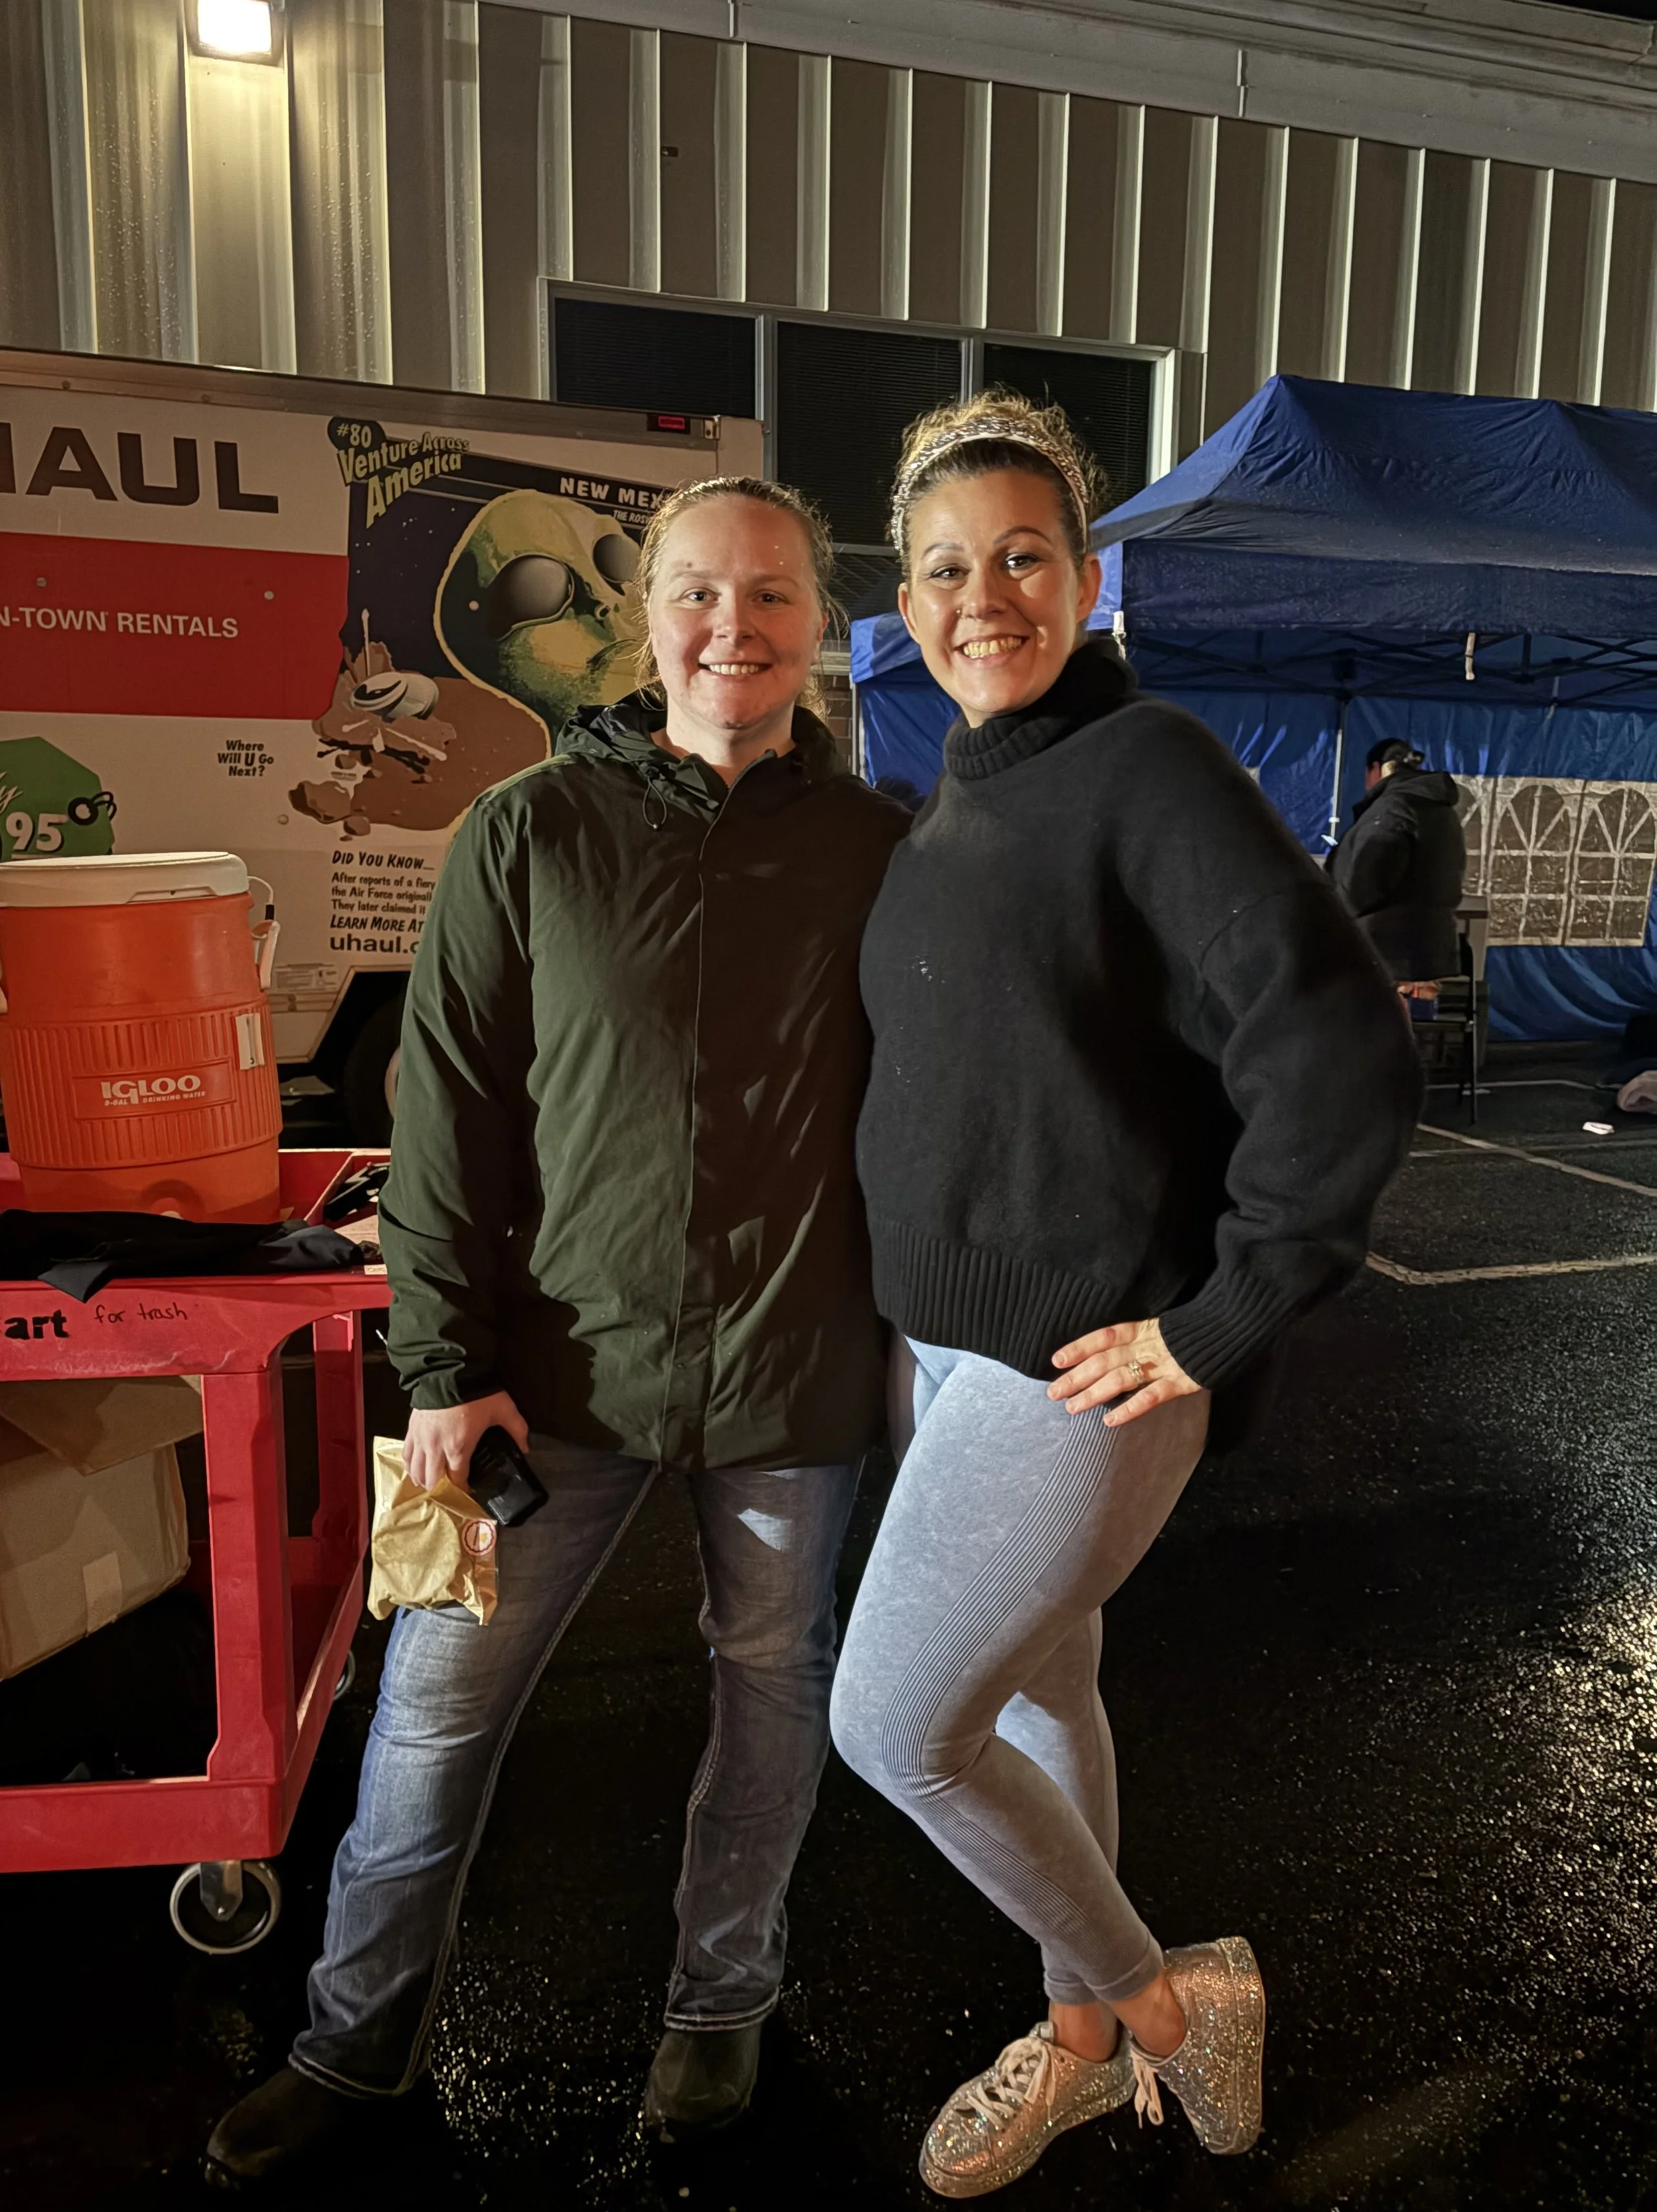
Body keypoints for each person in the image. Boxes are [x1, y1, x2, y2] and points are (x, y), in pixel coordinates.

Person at [205, 478, 908, 2187]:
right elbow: (442, 1118)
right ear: (643, 613)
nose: (732, 627)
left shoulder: (881, 852)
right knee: (434, 1717)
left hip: (789, 1376)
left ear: (818, 621)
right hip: (553, 1382)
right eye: (695, 592)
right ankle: (352, 2038)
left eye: (771, 594)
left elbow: (954, 1103)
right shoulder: (527, 829)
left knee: (768, 1699)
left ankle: (720, 2007)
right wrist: (442, 1370)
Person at [829, 394, 1423, 2197]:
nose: (980, 595)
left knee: (893, 1725)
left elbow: (1333, 1043)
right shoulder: (961, 796)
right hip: (943, 1352)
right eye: (942, 567)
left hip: (1071, 1370)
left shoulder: (1146, 763)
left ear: (1085, 580)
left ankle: (1165, 2002)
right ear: (905, 600)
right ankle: (1081, 2041)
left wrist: (1218, 1315)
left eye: (1021, 556)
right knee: (1031, 1701)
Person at [1328, 736, 1468, 995]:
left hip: (1385, 955)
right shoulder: (1442, 810)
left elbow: (1366, 882)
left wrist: (1335, 913)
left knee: (1377, 1030)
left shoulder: (1392, 809)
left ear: (1375, 769)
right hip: (1429, 953)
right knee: (1409, 1030)